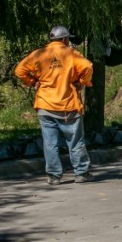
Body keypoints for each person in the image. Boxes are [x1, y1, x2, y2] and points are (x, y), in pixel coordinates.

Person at [15, 26, 94, 185]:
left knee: (50, 143)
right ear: (64, 39)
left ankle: (53, 176)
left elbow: (19, 71)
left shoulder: (38, 54)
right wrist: (82, 82)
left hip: (45, 105)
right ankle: (81, 173)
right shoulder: (71, 53)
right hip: (67, 106)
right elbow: (88, 66)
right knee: (75, 141)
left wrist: (33, 82)